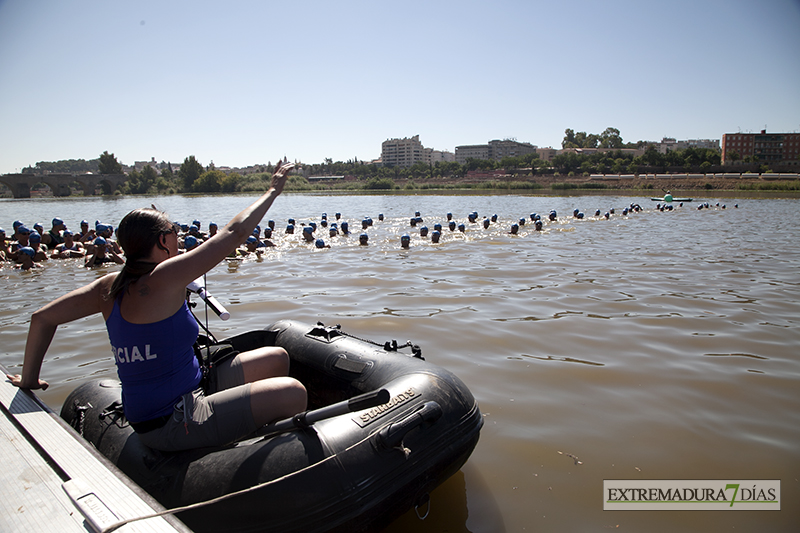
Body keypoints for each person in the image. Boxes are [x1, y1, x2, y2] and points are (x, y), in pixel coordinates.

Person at [7, 161, 306, 452]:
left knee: (276, 358)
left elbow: (42, 318)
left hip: (188, 386)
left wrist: (29, 379)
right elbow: (233, 234)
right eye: (174, 231)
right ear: (163, 241)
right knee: (292, 393)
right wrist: (272, 191)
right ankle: (268, 461)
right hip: (175, 420)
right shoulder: (164, 277)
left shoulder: (107, 285)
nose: (178, 237)